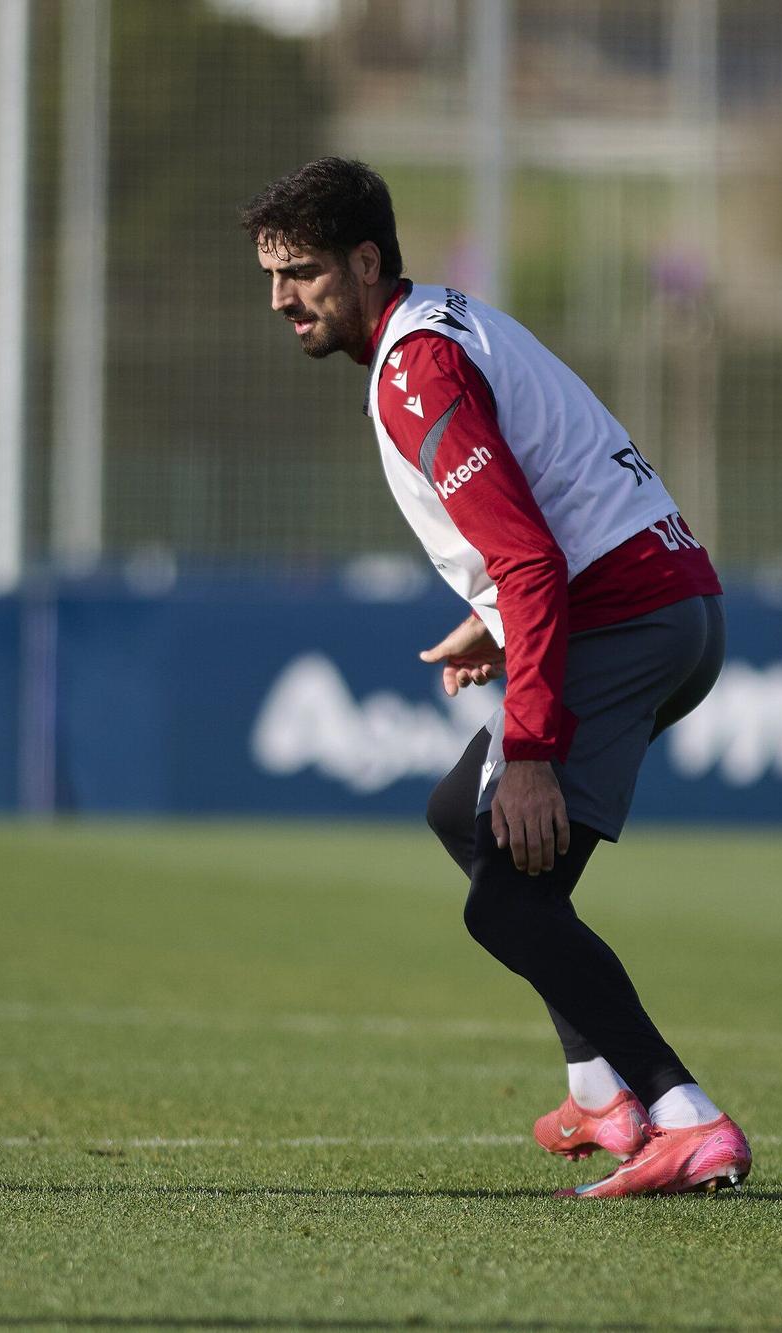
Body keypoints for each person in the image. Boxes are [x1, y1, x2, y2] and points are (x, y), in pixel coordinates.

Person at [242, 158, 750, 1198]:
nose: (280, 297)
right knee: (457, 817)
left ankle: (683, 1115)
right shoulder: (444, 323)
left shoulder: (412, 369)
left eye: (300, 272)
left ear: (365, 260)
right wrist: (490, 622)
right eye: (271, 274)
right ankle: (601, 1092)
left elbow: (529, 558)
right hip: (669, 606)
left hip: (630, 618)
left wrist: (527, 751)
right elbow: (546, 509)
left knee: (505, 908)